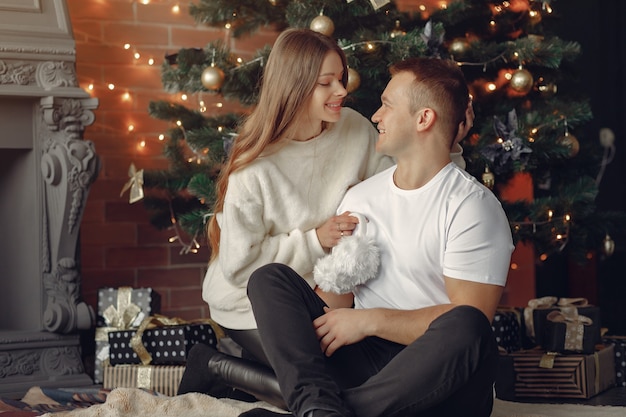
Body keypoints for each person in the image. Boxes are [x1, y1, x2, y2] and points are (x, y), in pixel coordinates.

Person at [177, 28, 473, 403]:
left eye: (342, 79)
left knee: (335, 380)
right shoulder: (253, 170)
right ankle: (214, 366)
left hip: (324, 295)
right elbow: (240, 266)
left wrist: (449, 142)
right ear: (295, 87)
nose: (341, 91)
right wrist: (315, 240)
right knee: (323, 386)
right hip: (250, 300)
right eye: (326, 83)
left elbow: (407, 178)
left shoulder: (352, 128)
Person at [242, 57, 514, 417]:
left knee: (468, 322)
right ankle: (319, 409)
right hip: (369, 365)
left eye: (387, 105)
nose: (376, 116)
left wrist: (369, 321)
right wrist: (322, 311)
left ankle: (326, 412)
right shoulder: (361, 198)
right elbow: (337, 304)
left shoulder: (471, 207)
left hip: (442, 378)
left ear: (423, 119)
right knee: (269, 279)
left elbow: (470, 327)